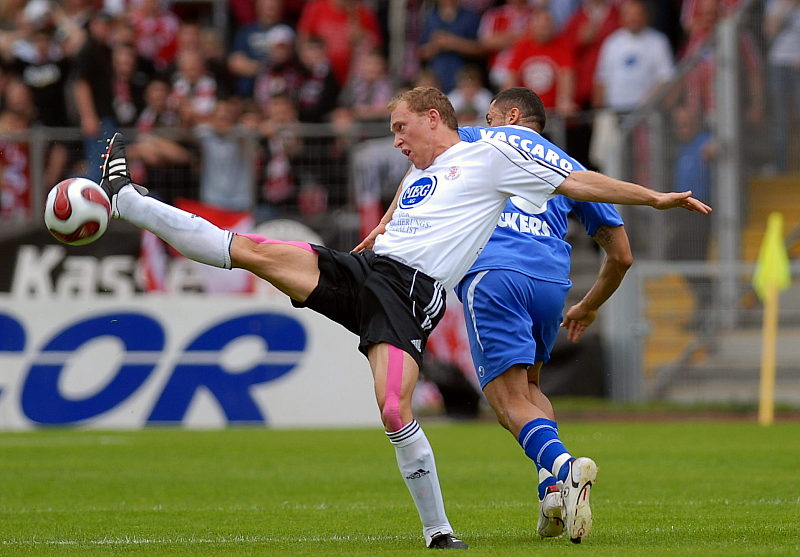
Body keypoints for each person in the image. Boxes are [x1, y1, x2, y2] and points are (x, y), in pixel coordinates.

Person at [96, 86, 710, 549]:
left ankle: (440, 532)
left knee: (394, 408)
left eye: (401, 127)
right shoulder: (422, 172)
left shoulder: (493, 153)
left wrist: (653, 197)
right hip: (365, 271)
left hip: (409, 295)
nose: (396, 141)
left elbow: (576, 181)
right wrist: (379, 228)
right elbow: (407, 199)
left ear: (433, 118)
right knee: (251, 250)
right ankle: (128, 199)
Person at [356, 87, 633, 543]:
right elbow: (621, 256)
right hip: (549, 282)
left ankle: (566, 469)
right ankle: (550, 494)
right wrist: (588, 305)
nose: (483, 125)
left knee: (505, 404)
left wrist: (385, 224)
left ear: (512, 116)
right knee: (530, 390)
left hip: (493, 276)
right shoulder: (570, 167)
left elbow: (423, 165)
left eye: (490, 117)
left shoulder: (481, 140)